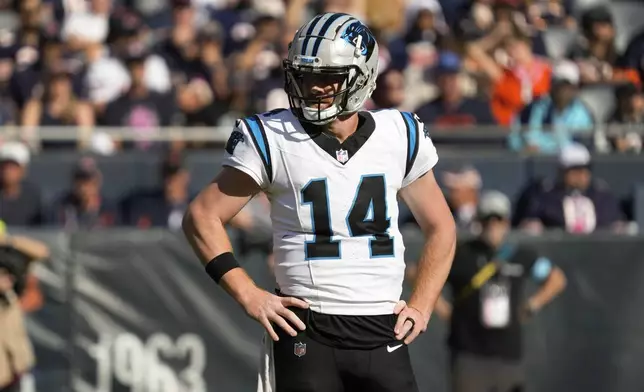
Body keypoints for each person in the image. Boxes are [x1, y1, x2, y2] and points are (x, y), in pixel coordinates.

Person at [182, 12, 456, 392]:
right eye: (306, 76)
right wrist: (248, 294)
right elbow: (202, 217)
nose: (313, 88)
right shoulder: (273, 135)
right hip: (306, 328)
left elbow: (441, 227)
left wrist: (423, 304)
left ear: (362, 76)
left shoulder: (400, 133)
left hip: (382, 325)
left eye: (327, 78)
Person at [431, 191, 566, 392]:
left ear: (507, 222)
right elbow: (420, 274)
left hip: (508, 354)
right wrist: (442, 309)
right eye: (487, 220)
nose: (493, 226)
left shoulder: (520, 255)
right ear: (479, 222)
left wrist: (532, 305)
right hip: (469, 353)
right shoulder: (462, 254)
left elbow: (556, 279)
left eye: (499, 220)